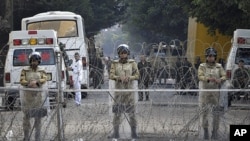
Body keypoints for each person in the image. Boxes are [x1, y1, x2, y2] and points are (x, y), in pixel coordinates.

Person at [109, 44, 140, 139]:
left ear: (128, 53)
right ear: (119, 54)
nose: (123, 55)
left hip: (129, 92)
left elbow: (137, 75)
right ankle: (116, 133)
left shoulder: (132, 63)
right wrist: (118, 78)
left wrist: (129, 78)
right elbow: (111, 75)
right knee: (117, 113)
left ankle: (134, 133)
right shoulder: (114, 63)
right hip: (118, 92)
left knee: (132, 113)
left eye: (125, 53)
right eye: (121, 53)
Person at [198, 47, 226, 140]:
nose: (211, 58)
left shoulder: (219, 66)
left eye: (212, 56)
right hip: (205, 92)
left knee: (216, 113)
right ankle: (205, 130)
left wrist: (219, 80)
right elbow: (200, 76)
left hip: (215, 93)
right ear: (206, 57)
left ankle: (215, 131)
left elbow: (224, 75)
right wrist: (208, 79)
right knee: (204, 113)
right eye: (209, 56)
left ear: (215, 57)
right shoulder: (202, 66)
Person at [20, 52, 48, 141]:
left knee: (38, 120)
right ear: (30, 61)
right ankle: (27, 137)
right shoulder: (25, 70)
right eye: (32, 61)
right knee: (26, 119)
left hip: (38, 99)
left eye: (36, 61)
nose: (34, 63)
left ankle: (37, 137)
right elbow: (22, 80)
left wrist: (37, 82)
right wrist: (29, 83)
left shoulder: (42, 70)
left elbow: (45, 78)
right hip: (27, 99)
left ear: (39, 61)